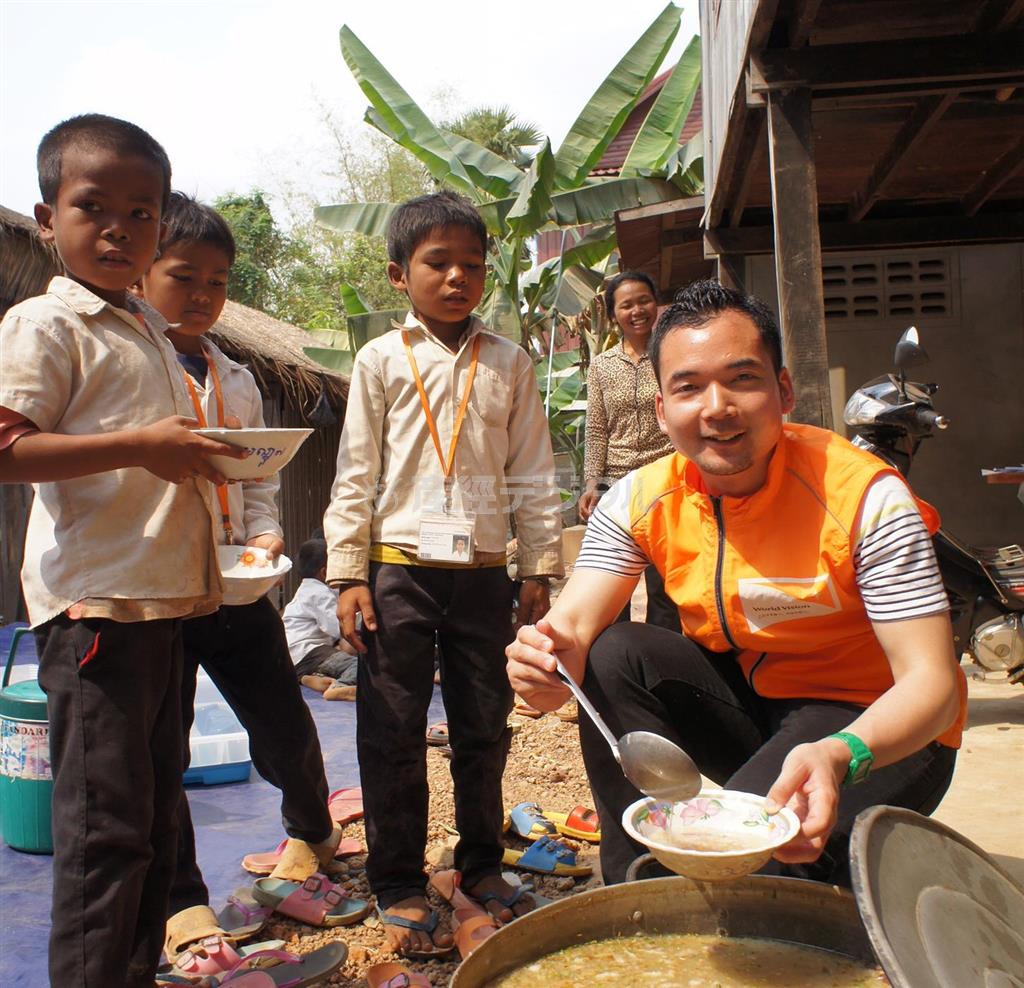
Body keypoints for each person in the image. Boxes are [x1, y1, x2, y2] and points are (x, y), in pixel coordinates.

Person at [507, 279, 966, 888]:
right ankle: (634, 889)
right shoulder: (640, 498)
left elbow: (932, 684)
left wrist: (841, 753)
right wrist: (542, 666)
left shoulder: (865, 498)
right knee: (614, 652)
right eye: (689, 387)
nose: (716, 407)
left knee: (740, 865)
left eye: (742, 379)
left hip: (876, 727)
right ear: (662, 410)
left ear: (783, 392)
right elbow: (571, 630)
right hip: (752, 707)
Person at [0, 114, 247, 988]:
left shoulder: (143, 318)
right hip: (97, 611)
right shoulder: (44, 323)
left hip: (163, 604)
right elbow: (6, 447)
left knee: (146, 823)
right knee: (103, 837)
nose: (118, 229)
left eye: (141, 213)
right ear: (46, 218)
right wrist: (141, 447)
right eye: (92, 206)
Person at [324, 190, 564, 957]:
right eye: (438, 263)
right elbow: (356, 469)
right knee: (390, 726)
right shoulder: (380, 359)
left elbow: (531, 468)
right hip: (397, 567)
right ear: (400, 274)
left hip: (485, 572)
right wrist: (346, 574)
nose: (457, 277)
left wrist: (539, 564)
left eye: (472, 264)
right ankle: (395, 877)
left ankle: (481, 865)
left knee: (483, 725)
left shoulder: (510, 362)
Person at [135, 192, 355, 963]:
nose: (201, 296)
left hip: (241, 585)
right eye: (183, 276)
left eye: (218, 282)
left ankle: (313, 834)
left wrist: (263, 531)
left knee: (285, 726)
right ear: (143, 275)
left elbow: (260, 480)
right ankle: (183, 901)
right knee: (165, 752)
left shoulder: (235, 373)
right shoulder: (134, 368)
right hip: (159, 589)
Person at [579, 271, 680, 632]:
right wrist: (592, 482)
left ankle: (664, 663)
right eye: (626, 305)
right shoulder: (603, 366)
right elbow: (596, 427)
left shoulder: (674, 354)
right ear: (613, 315)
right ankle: (613, 665)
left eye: (644, 301)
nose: (637, 310)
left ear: (656, 303)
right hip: (616, 484)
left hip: (668, 479)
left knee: (665, 585)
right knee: (612, 584)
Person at [283, 537, 359, 700]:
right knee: (360, 666)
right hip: (309, 652)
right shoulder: (318, 594)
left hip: (294, 659)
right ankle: (341, 686)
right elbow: (338, 627)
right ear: (325, 572)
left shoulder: (310, 590)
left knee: (334, 662)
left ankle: (310, 679)